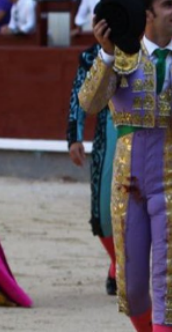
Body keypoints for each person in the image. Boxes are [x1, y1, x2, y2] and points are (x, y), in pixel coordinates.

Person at [79, 0, 172, 332]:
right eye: (168, 4)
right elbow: (90, 103)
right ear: (148, 14)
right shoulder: (121, 59)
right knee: (133, 287)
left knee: (168, 278)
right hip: (126, 182)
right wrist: (106, 54)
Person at [66, 44, 118, 297]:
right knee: (103, 210)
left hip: (149, 138)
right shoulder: (93, 55)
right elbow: (80, 95)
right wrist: (74, 137)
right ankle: (118, 261)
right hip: (108, 136)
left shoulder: (152, 49)